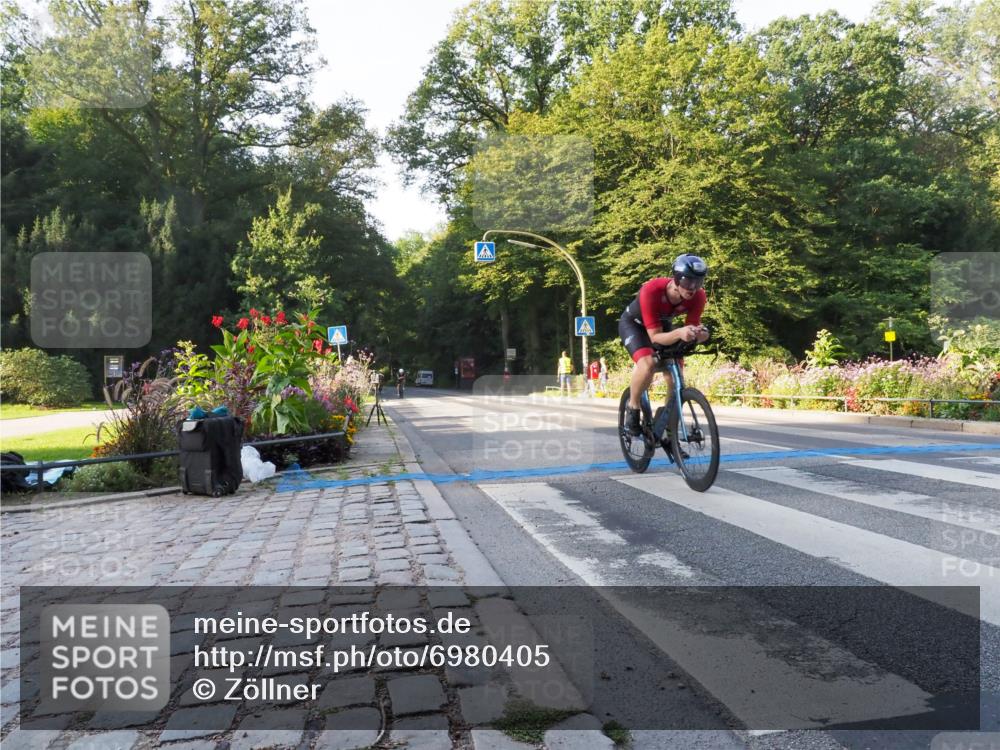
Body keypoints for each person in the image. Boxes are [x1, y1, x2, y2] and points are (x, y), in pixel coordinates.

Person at [619, 254, 711, 435]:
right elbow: (655, 338)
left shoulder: (699, 296)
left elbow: (690, 328)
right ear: (676, 279)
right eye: (687, 282)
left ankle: (667, 422)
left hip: (662, 325)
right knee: (648, 364)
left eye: (697, 282)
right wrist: (679, 333)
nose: (692, 288)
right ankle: (633, 407)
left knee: (676, 371)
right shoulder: (651, 290)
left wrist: (700, 335)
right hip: (634, 325)